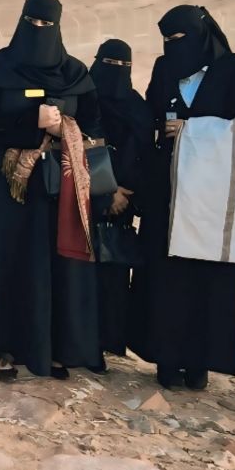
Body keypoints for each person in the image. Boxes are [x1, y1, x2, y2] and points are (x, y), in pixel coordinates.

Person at [0, 0, 105, 382]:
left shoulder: (75, 74)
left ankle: (50, 347)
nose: (39, 30)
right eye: (32, 23)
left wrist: (62, 127)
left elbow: (94, 123)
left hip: (56, 187)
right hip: (4, 187)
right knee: (6, 259)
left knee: (53, 263)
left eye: (46, 24)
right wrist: (30, 122)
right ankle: (1, 348)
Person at [128, 4, 235, 391]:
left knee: (207, 272)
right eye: (167, 40)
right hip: (168, 187)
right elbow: (151, 114)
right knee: (167, 272)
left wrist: (192, 130)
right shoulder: (164, 68)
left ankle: (200, 361)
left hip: (214, 189)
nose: (174, 46)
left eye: (180, 38)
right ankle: (165, 357)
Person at [88, 38, 148, 358]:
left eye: (123, 67)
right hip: (86, 198)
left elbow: (145, 153)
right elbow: (82, 146)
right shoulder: (85, 100)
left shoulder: (136, 105)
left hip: (122, 203)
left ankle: (110, 341)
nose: (116, 73)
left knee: (114, 270)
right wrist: (106, 191)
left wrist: (126, 192)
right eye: (110, 65)